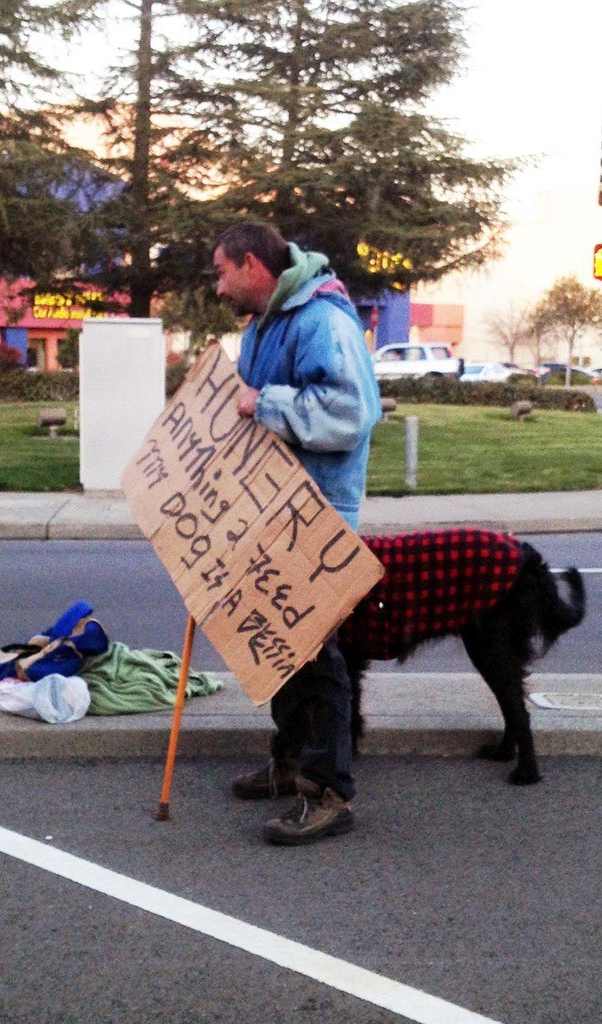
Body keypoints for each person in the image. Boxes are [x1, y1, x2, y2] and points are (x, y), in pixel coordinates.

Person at [212, 221, 382, 846]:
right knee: (280, 650)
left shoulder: (323, 321)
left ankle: (329, 789)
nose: (219, 287)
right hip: (271, 511)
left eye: (222, 272)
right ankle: (288, 763)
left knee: (315, 654)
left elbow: (352, 413)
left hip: (316, 514)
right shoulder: (264, 324)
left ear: (252, 265)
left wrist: (264, 404)